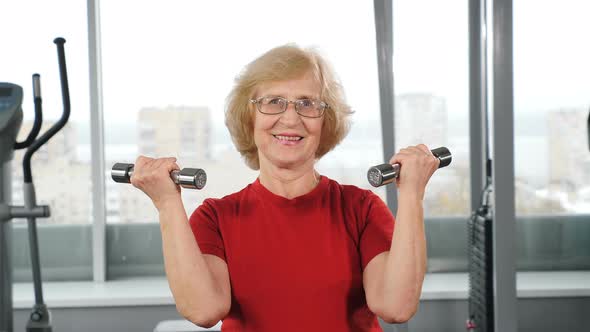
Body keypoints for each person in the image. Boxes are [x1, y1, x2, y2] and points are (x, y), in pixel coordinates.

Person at [130, 44, 440, 332]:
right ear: (249, 117)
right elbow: (203, 310)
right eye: (273, 102)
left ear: (325, 122)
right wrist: (168, 205)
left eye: (307, 104)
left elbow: (396, 307)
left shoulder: (362, 208)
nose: (290, 118)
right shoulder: (216, 218)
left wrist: (412, 194)